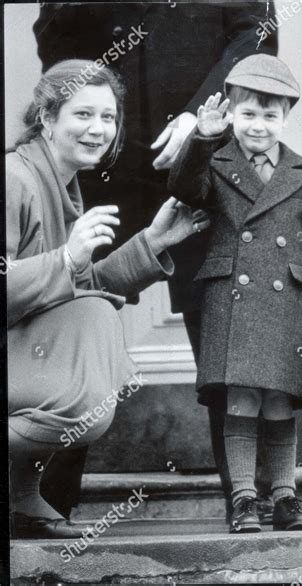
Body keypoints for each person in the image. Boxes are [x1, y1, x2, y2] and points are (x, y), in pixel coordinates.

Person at [33, 2, 278, 522]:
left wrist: (202, 116)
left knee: (228, 320)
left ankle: (250, 500)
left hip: (205, 155)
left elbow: (257, 30)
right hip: (102, 162)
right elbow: (54, 31)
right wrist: (92, 117)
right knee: (68, 312)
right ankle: (41, 502)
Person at [7, 60, 209, 539]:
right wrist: (66, 257)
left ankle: (19, 497)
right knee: (94, 322)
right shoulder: (14, 179)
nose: (98, 129)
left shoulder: (59, 180)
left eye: (108, 117)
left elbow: (74, 287)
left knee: (92, 316)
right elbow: (61, 282)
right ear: (46, 117)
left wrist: (153, 241)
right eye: (83, 114)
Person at [168, 54, 302, 533]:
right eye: (248, 113)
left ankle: (285, 498)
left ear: (286, 117)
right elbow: (185, 189)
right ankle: (243, 500)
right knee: (240, 400)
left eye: (270, 115)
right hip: (230, 295)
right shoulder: (215, 161)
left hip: (284, 301)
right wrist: (201, 137)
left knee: (279, 400)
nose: (258, 125)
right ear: (231, 114)